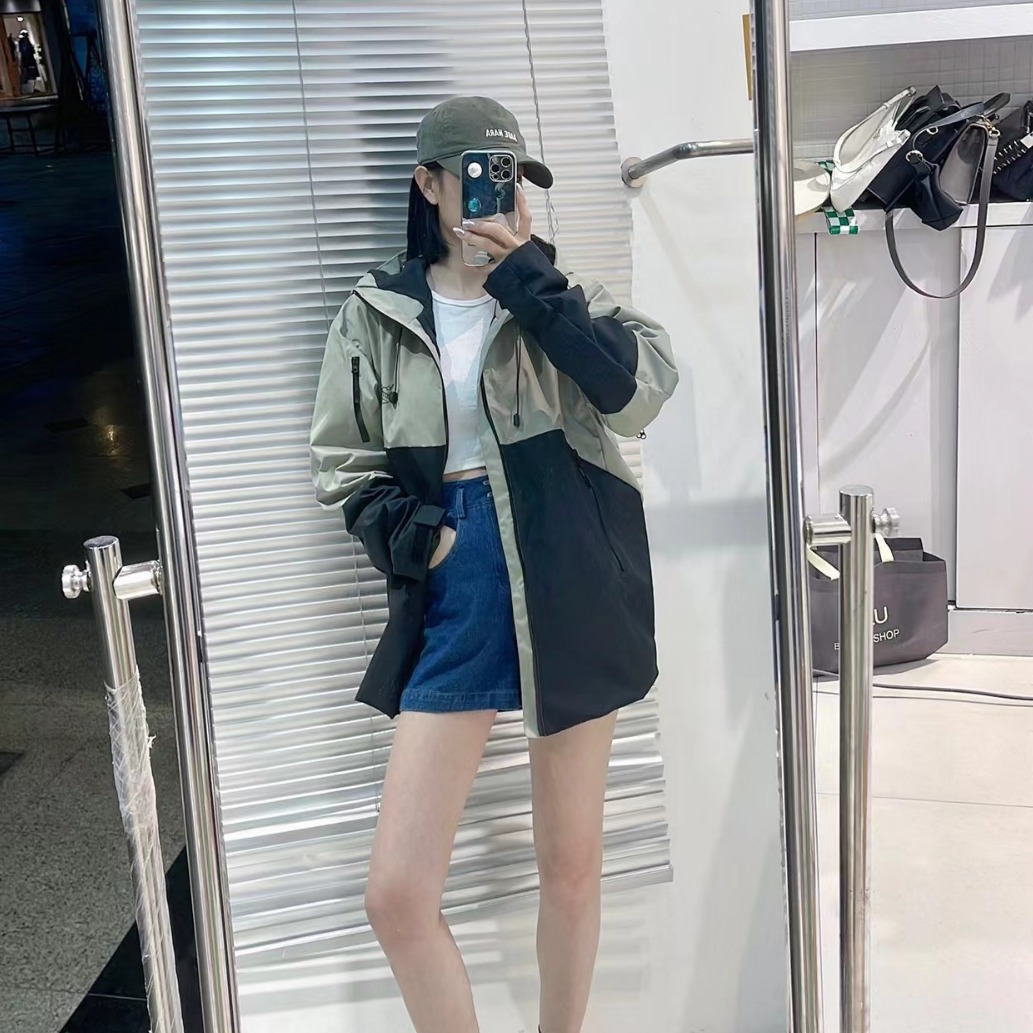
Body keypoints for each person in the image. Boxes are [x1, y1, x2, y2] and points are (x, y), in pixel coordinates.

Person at [309, 96, 677, 1033]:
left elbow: (638, 396)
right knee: (397, 894)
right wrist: (425, 540)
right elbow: (343, 461)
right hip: (459, 573)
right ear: (428, 184)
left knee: (572, 865)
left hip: (569, 568)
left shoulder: (559, 296)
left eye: (512, 179)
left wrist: (527, 281)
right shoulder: (377, 312)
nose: (498, 196)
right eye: (476, 175)